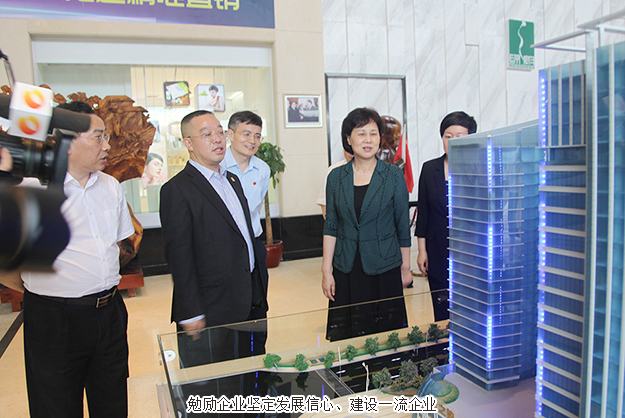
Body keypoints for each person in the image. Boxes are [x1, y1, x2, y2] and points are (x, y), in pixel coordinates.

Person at [4, 101, 135, 418]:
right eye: (99, 137)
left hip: (109, 312)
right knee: (56, 406)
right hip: (55, 319)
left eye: (106, 136)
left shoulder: (110, 186)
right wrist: (47, 293)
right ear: (66, 141)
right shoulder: (30, 188)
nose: (108, 145)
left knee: (112, 402)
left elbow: (117, 244)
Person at [159, 110, 268, 369]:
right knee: (214, 382)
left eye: (219, 132)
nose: (217, 139)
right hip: (212, 308)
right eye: (207, 134)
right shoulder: (177, 189)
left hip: (249, 298)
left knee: (251, 372)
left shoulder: (232, 179)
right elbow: (179, 257)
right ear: (188, 143)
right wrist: (190, 312)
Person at [321, 107, 412, 342]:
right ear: (349, 139)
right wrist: (326, 270)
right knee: (350, 337)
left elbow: (402, 226)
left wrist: (405, 268)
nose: (368, 140)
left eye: (373, 133)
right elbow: (331, 226)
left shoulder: (393, 175)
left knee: (386, 336)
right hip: (347, 267)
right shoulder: (335, 177)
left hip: (384, 267)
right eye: (361, 133)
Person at [415, 111, 477, 322]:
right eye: (448, 136)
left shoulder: (480, 169)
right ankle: (443, 340)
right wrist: (422, 251)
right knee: (441, 303)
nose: (452, 141)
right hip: (437, 248)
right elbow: (423, 214)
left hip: (471, 251)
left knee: (469, 304)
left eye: (460, 137)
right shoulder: (429, 168)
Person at [316, 149, 353, 219]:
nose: (351, 153)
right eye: (347, 149)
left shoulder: (374, 170)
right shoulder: (333, 171)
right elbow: (325, 205)